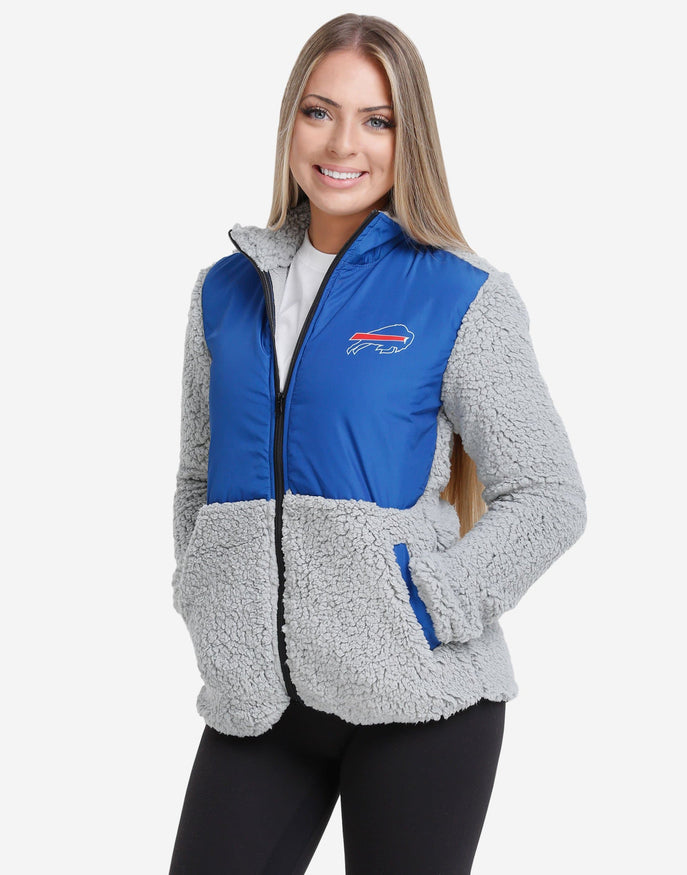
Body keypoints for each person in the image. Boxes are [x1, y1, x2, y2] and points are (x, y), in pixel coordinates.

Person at [167, 12, 587, 875]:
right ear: (291, 122)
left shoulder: (460, 293)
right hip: (260, 695)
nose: (342, 144)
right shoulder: (224, 292)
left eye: (377, 120)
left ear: (409, 137)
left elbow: (549, 493)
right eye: (319, 111)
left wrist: (433, 604)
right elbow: (198, 477)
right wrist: (206, 592)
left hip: (420, 701)